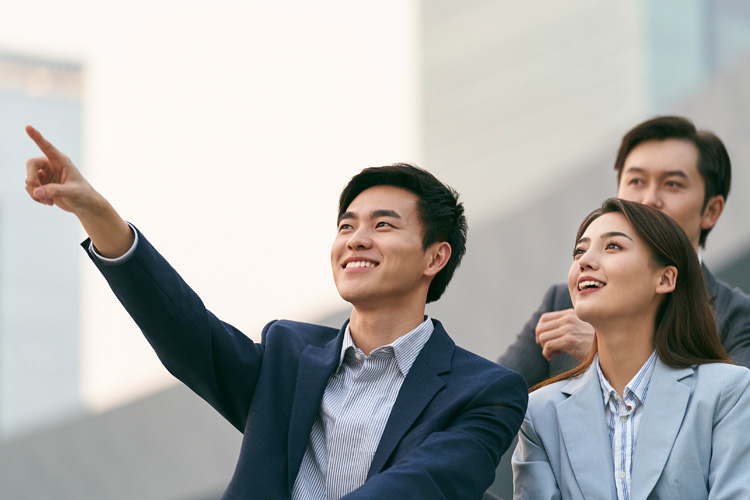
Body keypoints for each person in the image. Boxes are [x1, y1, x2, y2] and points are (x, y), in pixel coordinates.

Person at [23, 125, 528, 500]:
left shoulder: (483, 391)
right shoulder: (288, 358)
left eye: (383, 225)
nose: (356, 238)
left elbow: (425, 485)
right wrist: (97, 214)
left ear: (434, 257)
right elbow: (187, 334)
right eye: (347, 225)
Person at [512, 198, 750, 499]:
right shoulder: (540, 414)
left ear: (665, 278)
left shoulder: (727, 392)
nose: (584, 261)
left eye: (613, 246)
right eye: (579, 251)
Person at [498, 116, 750, 386]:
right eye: (636, 181)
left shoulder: (737, 317)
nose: (649, 199)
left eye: (672, 184)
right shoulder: (563, 303)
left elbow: (733, 414)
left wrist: (606, 353)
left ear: (711, 211)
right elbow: (487, 398)